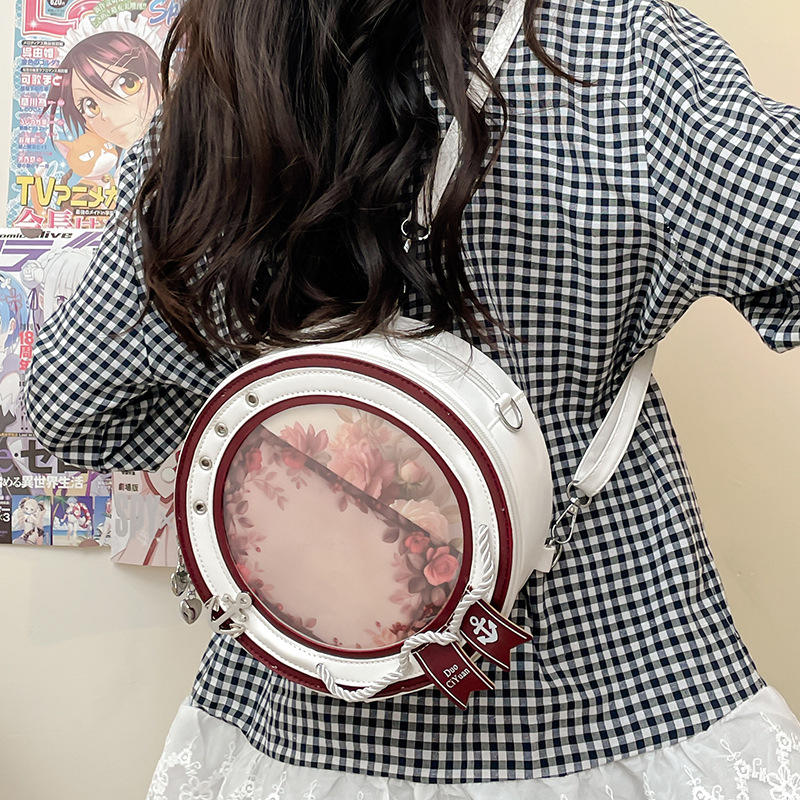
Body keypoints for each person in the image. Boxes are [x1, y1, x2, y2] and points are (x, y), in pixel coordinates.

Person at [22, 0, 800, 796]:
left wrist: (295, 444)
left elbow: (70, 410)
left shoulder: (230, 85)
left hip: (308, 730)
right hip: (617, 703)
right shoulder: (615, 52)